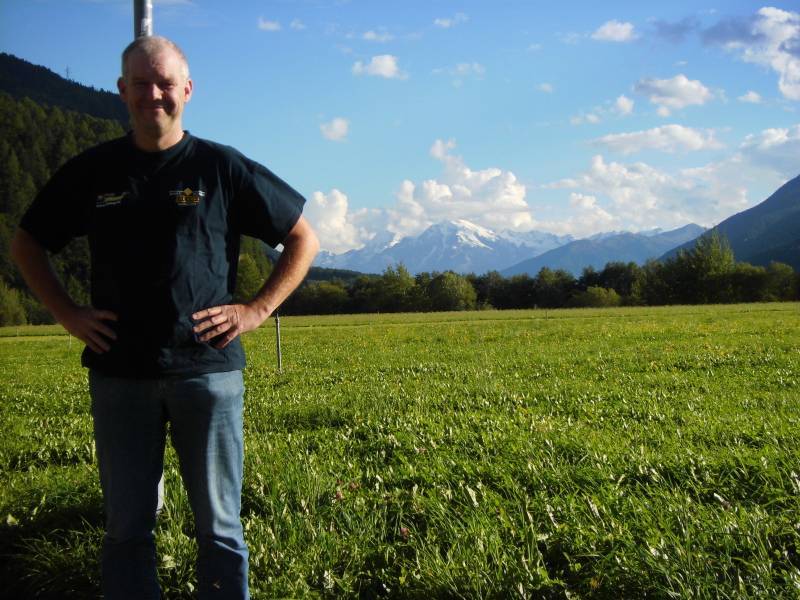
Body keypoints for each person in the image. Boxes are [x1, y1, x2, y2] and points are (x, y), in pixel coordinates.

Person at [11, 35, 319, 599]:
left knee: (221, 529)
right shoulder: (94, 170)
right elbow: (27, 243)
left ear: (188, 90)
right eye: (142, 84)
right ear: (122, 90)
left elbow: (302, 238)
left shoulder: (221, 166)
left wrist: (256, 310)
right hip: (119, 374)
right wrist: (68, 313)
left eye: (166, 83)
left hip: (208, 373)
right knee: (127, 530)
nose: (154, 94)